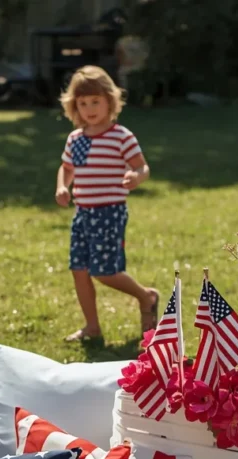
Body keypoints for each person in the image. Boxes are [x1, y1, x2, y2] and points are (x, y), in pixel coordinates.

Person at [55, 65, 159, 343]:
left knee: (105, 271)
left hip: (109, 212)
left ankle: (146, 296)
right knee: (79, 270)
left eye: (96, 101)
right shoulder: (75, 139)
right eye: (83, 102)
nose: (89, 108)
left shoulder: (121, 136)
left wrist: (135, 177)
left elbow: (142, 167)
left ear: (110, 102)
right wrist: (63, 186)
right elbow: (66, 168)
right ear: (74, 105)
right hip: (83, 214)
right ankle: (92, 327)